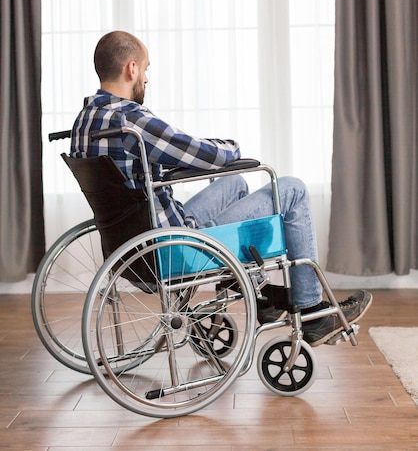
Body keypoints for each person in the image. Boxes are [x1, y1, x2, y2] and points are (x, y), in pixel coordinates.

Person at [71, 30, 372, 346]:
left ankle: (257, 293)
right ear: (131, 69)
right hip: (175, 248)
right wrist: (232, 147)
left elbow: (151, 164)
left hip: (131, 247)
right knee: (291, 188)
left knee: (234, 182)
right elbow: (201, 152)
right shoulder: (130, 118)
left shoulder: (86, 119)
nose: (146, 78)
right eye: (146, 69)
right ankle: (313, 311)